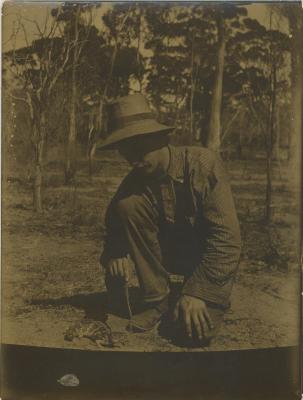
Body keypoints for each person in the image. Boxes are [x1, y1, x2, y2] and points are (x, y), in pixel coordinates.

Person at [98, 93, 241, 344]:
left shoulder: (203, 165)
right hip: (168, 258)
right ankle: (157, 299)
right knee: (127, 204)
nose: (133, 160)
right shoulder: (136, 178)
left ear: (161, 138)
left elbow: (227, 240)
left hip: (206, 262)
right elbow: (114, 219)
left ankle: (198, 295)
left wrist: (198, 294)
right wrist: (115, 252)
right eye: (126, 152)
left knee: (194, 333)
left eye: (139, 148)